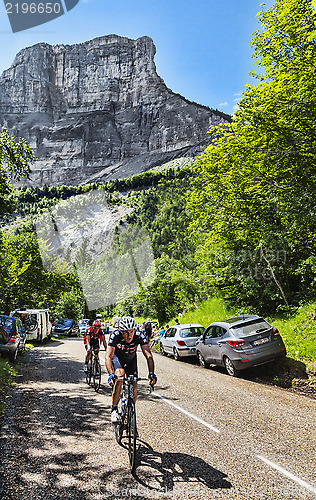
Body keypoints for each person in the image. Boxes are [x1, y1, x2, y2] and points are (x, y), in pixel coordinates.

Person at [105, 316, 157, 423]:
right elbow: (108, 356)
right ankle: (114, 409)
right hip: (117, 358)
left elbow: (148, 355)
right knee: (120, 376)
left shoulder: (139, 336)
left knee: (134, 382)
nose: (129, 335)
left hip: (131, 360)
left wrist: (151, 373)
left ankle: (131, 411)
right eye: (126, 332)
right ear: (121, 331)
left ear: (134, 330)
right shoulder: (115, 335)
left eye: (131, 332)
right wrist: (111, 374)